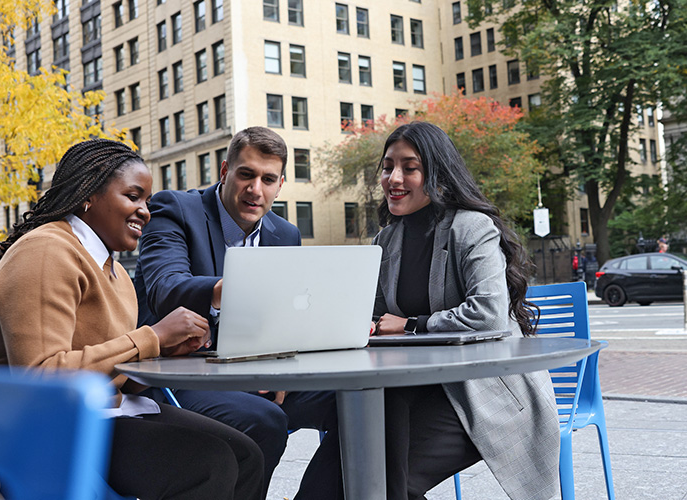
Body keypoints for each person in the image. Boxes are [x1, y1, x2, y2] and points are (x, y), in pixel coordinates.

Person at [0, 138, 264, 500]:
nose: (146, 210)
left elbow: (117, 377)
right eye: (133, 196)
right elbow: (42, 378)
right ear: (88, 196)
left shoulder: (114, 271)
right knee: (210, 463)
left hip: (100, 412)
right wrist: (151, 337)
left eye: (146, 200)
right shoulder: (46, 251)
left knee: (246, 453)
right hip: (40, 428)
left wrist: (162, 353)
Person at [134, 126, 341, 499]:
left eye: (268, 179)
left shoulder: (285, 234)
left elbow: (285, 316)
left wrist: (284, 368)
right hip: (182, 376)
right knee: (266, 421)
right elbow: (166, 289)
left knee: (354, 400)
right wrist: (229, 289)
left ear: (281, 185)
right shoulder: (175, 209)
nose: (255, 189)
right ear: (226, 170)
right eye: (246, 174)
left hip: (259, 374)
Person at [370, 122, 560, 500]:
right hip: (404, 390)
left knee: (386, 484)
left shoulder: (472, 228)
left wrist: (410, 325)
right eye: (388, 166)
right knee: (347, 472)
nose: (394, 177)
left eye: (410, 167)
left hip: (480, 391)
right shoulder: (385, 240)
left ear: (436, 173)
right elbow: (375, 316)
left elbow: (488, 313)